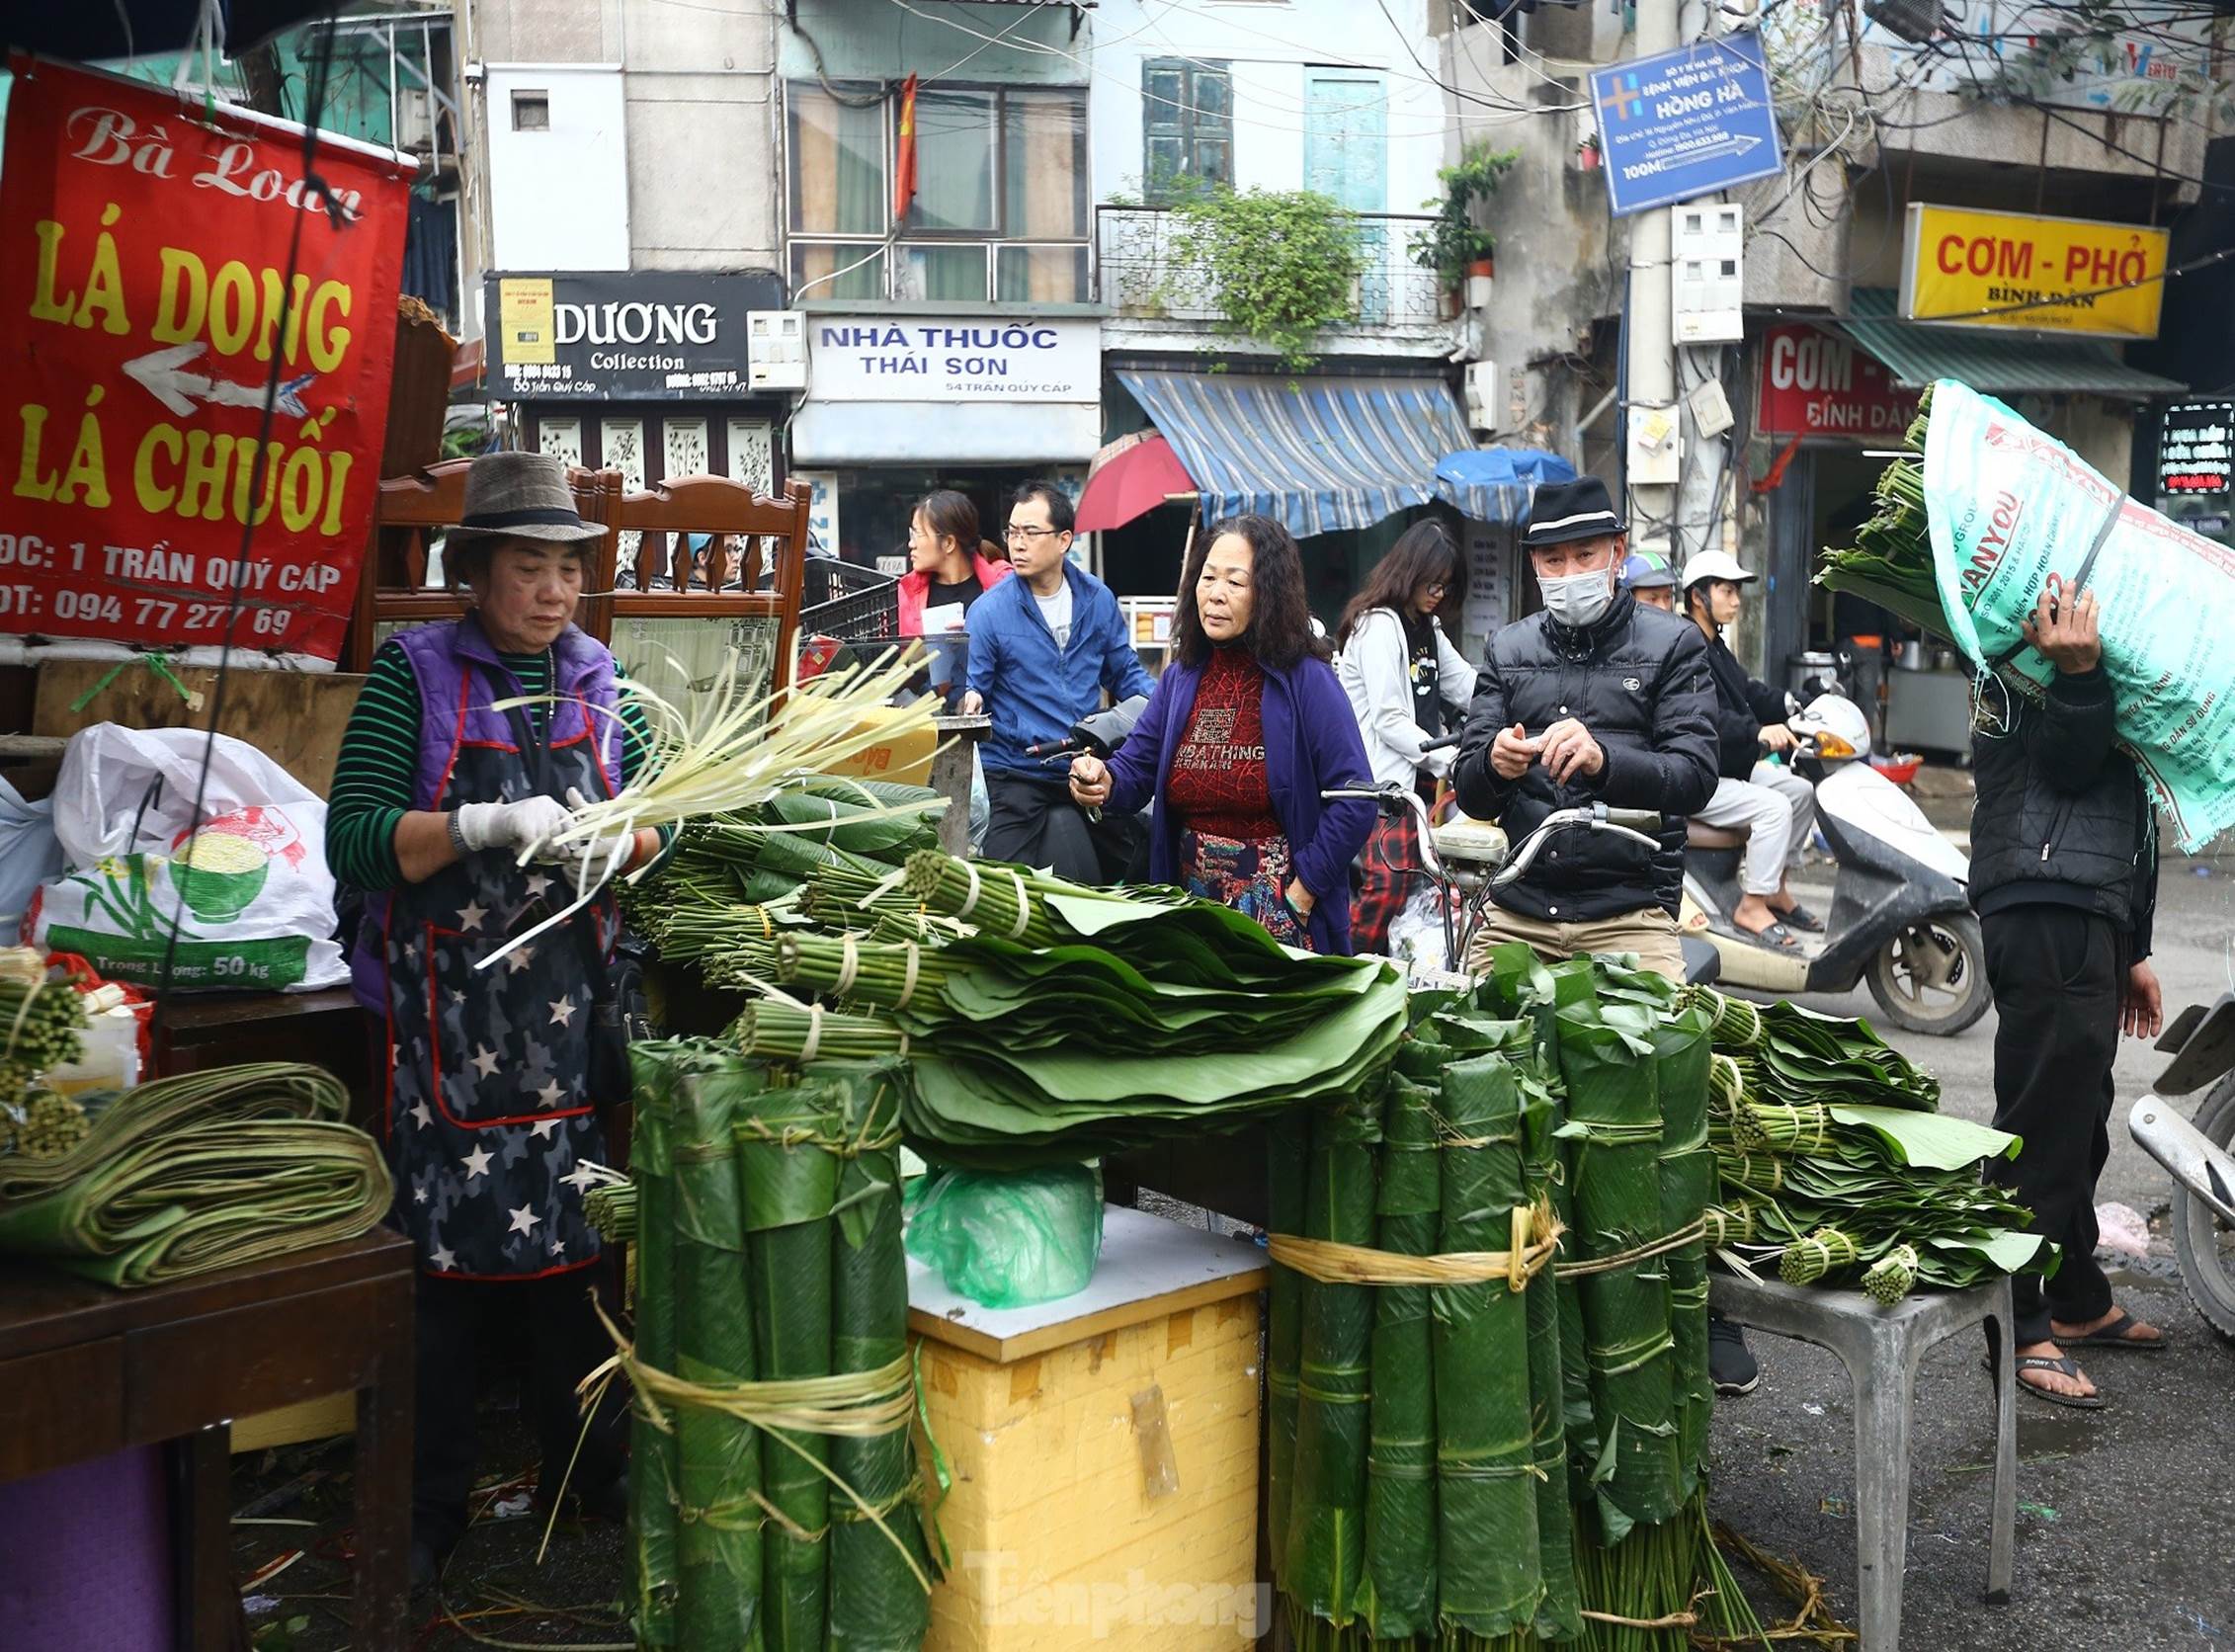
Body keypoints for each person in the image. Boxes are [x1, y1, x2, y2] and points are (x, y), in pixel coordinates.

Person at [326, 452, 662, 1592]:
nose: (557, 591)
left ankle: (589, 1480)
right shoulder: (412, 674)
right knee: (440, 1278)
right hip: (447, 1028)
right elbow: (359, 839)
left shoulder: (603, 678)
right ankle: (428, 1508)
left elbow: (665, 818)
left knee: (574, 1262)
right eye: (530, 566)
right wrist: (473, 823)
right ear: (473, 570)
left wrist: (626, 840)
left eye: (569, 567)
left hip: (565, 1031)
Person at [1972, 576, 2163, 1408]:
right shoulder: (2014, 657)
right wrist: (2080, 677)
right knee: (2041, 1129)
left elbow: (2125, 806)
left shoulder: (2084, 650)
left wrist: (2133, 945)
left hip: (2084, 909)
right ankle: (2016, 1325)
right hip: (2042, 905)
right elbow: (2062, 765)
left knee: (2080, 1120)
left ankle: (2076, 1300)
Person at [1450, 477, 1719, 981]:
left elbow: (1695, 778)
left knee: (1658, 1051)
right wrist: (1493, 764)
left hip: (1630, 915)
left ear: (1617, 552)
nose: (1569, 573)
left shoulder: (1674, 645)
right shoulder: (1506, 651)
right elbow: (1472, 795)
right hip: (1516, 914)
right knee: (1465, 1039)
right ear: (1535, 565)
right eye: (1554, 560)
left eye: (1585, 555)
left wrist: (1603, 762)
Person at [1067, 514, 1374, 951]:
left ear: (1268, 594)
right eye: (1208, 578)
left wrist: (1301, 894)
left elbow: (1356, 799)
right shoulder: (1182, 677)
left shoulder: (1306, 678)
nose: (1215, 594)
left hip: (1278, 917)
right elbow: (1135, 768)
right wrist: (1103, 780)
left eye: (1235, 582)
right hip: (1189, 911)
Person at [963, 481, 1155, 881]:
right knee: (1000, 887)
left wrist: (1171, 702)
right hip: (1016, 773)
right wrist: (971, 700)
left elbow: (1126, 674)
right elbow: (973, 687)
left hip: (1082, 767)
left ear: (1064, 539)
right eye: (1012, 532)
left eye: (1030, 533)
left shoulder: (1097, 599)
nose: (1017, 543)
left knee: (1148, 854)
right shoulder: (988, 612)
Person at [1333, 520, 1477, 955]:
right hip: (1378, 786)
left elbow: (1470, 687)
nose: (1438, 594)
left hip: (1416, 788)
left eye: (1446, 587)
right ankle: (1346, 972)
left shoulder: (1427, 630)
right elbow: (1389, 719)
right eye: (1433, 583)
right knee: (1388, 887)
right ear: (1410, 572)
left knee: (1424, 889)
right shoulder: (1377, 625)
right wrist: (1446, 760)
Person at [1679, 552, 1821, 946]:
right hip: (1698, 775)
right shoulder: (1685, 648)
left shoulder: (1715, 646)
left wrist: (1795, 703)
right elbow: (1704, 717)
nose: (1736, 600)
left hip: (1727, 767)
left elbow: (1749, 693)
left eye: (1737, 591)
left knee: (1799, 792)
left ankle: (1773, 887)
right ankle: (1751, 905)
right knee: (1773, 808)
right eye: (1726, 590)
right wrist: (1758, 732)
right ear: (1697, 597)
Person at [899, 489, 1013, 711]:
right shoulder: (907, 592)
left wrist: (976, 636)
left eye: (918, 535)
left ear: (949, 543)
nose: (910, 544)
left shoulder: (1002, 584)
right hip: (937, 723)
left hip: (999, 718)